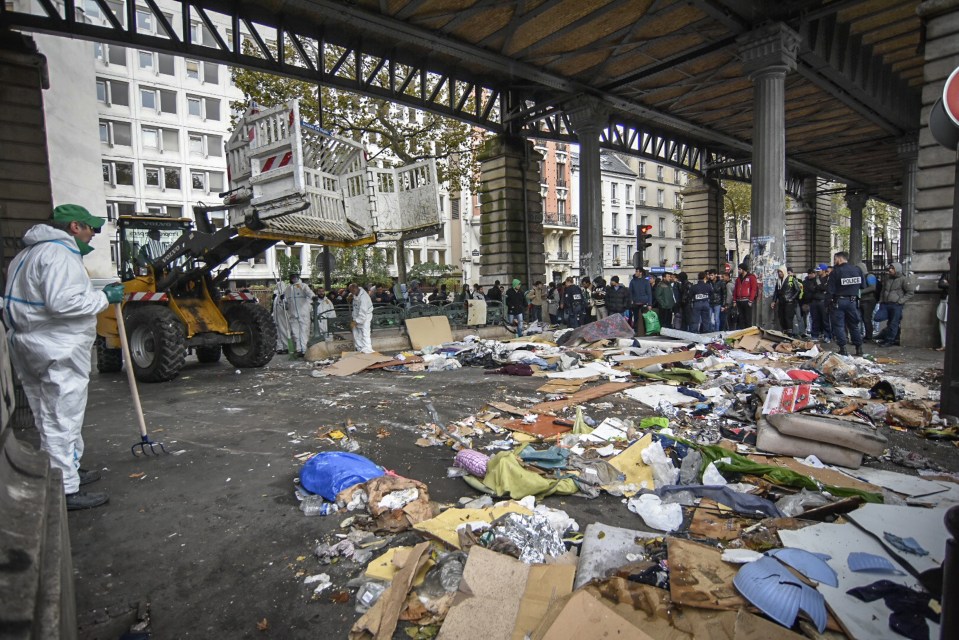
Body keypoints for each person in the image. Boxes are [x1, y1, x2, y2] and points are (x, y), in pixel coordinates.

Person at [4, 204, 124, 510]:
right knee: (63, 416)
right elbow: (64, 304)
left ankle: (65, 471)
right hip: (57, 346)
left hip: (30, 343)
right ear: (74, 227)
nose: (93, 235)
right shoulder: (60, 255)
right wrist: (104, 298)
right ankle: (67, 489)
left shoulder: (25, 256)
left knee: (47, 413)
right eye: (91, 229)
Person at [826, 251, 864, 356]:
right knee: (854, 325)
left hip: (839, 301)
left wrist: (827, 303)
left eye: (835, 259)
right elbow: (862, 286)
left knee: (839, 326)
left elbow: (830, 290)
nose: (834, 261)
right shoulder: (857, 270)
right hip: (852, 301)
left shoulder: (836, 271)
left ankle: (843, 348)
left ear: (839, 258)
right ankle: (859, 348)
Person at [876, 262, 913, 347]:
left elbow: (910, 292)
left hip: (896, 305)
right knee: (879, 318)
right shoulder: (887, 279)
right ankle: (886, 336)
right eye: (890, 268)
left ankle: (889, 340)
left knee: (893, 323)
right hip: (885, 303)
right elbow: (883, 290)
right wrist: (881, 300)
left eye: (892, 268)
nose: (890, 270)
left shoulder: (903, 279)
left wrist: (900, 301)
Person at [286, 273, 313, 356]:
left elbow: (310, 293)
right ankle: (299, 350)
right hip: (293, 314)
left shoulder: (303, 286)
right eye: (292, 277)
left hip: (303, 313)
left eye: (295, 277)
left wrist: (312, 297)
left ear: (298, 277)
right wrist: (282, 299)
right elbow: (285, 302)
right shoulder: (288, 289)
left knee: (304, 331)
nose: (293, 279)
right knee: (295, 333)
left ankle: (304, 350)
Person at [771, 266, 803, 336]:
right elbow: (776, 292)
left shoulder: (791, 279)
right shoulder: (778, 281)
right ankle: (784, 333)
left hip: (789, 303)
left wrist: (792, 298)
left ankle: (790, 334)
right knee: (781, 318)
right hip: (781, 302)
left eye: (781, 272)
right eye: (778, 272)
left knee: (788, 318)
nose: (780, 273)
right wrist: (774, 301)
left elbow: (798, 290)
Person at [803, 267, 828, 341]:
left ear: (823, 271)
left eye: (818, 271)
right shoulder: (814, 280)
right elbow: (811, 289)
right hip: (814, 301)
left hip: (822, 300)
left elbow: (823, 288)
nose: (817, 272)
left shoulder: (827, 279)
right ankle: (815, 335)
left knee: (824, 319)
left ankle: (826, 335)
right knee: (815, 319)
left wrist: (817, 285)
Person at [349, 282, 374, 353]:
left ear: (356, 289)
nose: (352, 292)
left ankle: (368, 350)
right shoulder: (356, 293)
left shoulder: (364, 298)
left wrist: (356, 322)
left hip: (365, 317)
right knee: (356, 333)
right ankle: (359, 348)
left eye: (352, 291)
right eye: (350, 291)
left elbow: (363, 313)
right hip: (356, 315)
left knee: (365, 333)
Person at [733, 263, 759, 330]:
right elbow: (735, 289)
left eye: (739, 269)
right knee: (741, 318)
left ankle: (748, 333)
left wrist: (751, 300)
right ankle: (742, 332)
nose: (738, 270)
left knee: (748, 318)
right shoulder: (738, 279)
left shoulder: (751, 277)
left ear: (743, 269)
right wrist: (734, 300)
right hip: (739, 301)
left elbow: (753, 289)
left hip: (747, 300)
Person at [629, 267, 653, 336]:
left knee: (645, 317)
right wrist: (631, 300)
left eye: (637, 271)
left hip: (644, 302)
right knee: (636, 317)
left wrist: (650, 304)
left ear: (641, 273)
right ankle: (636, 331)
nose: (635, 273)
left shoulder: (646, 281)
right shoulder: (633, 281)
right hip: (635, 302)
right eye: (636, 271)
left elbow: (649, 293)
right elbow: (630, 292)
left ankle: (646, 331)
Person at [858, 263, 878, 341]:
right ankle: (865, 335)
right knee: (863, 318)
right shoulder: (860, 277)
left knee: (867, 318)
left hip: (869, 300)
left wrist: (860, 292)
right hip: (862, 300)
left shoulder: (870, 276)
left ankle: (869, 336)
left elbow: (873, 287)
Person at [273, 279, 292, 353]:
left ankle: (286, 346)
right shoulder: (276, 297)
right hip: (276, 318)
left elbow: (287, 306)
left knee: (284, 331)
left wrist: (283, 300)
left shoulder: (285, 295)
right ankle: (279, 347)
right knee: (277, 332)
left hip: (283, 317)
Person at [937, 257, 950, 351]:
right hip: (945, 298)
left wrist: (948, 283)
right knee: (942, 320)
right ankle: (944, 344)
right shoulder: (947, 273)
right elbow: (940, 284)